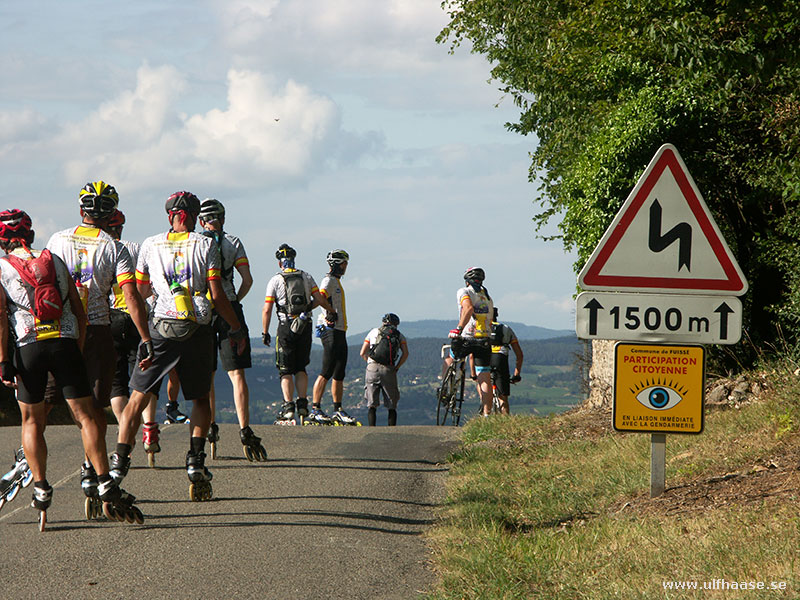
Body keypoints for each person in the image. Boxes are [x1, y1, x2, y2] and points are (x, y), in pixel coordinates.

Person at [0, 209, 141, 523]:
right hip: (66, 342)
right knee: (86, 415)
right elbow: (78, 310)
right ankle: (103, 480)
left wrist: (3, 361)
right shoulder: (54, 259)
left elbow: (0, 317)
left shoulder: (2, 267)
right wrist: (75, 348)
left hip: (29, 346)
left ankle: (40, 488)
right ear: (31, 234)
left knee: (32, 420)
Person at [112, 191, 247, 502]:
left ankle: (119, 464)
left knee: (137, 397)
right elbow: (217, 294)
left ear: (169, 214)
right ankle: (195, 461)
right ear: (194, 214)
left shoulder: (150, 244)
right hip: (198, 329)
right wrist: (236, 329)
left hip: (161, 328)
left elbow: (143, 289)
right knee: (200, 398)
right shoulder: (205, 245)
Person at [46, 181, 152, 504]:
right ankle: (91, 470)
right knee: (95, 409)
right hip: (98, 330)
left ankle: (38, 472)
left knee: (44, 408)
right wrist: (145, 337)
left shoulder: (56, 240)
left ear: (82, 211)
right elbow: (130, 296)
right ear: (112, 214)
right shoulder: (114, 247)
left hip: (61, 331)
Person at [198, 198, 266, 461]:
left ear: (202, 221)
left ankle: (211, 427)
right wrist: (234, 300)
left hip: (203, 309)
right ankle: (245, 430)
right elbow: (248, 279)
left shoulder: (196, 243)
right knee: (237, 374)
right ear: (223, 219)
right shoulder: (234, 242)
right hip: (229, 308)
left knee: (208, 373)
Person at [262, 244, 335, 423]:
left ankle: (288, 407)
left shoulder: (275, 280)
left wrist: (265, 331)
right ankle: (302, 404)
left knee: (285, 370)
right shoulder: (306, 276)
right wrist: (330, 311)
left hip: (285, 326)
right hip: (305, 325)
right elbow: (319, 299)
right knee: (301, 367)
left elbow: (267, 309)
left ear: (280, 263)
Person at [311, 249, 358, 425]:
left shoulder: (336, 281)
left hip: (340, 330)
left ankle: (337, 409)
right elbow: (320, 298)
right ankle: (315, 408)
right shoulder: (328, 281)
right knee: (327, 369)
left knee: (339, 371)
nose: (346, 267)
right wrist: (330, 312)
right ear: (337, 264)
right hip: (330, 329)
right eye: (344, 264)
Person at [448, 267, 494, 416]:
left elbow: (467, 308)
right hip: (485, 339)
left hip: (468, 337)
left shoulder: (464, 292)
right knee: (485, 379)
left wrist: (459, 329)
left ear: (467, 280)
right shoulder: (487, 296)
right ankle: (487, 415)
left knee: (450, 356)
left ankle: (449, 389)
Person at [360, 313, 408, 426]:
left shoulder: (373, 332)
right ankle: (392, 432)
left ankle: (371, 429)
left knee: (371, 404)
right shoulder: (399, 335)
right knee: (392, 404)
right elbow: (405, 354)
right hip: (389, 369)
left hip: (372, 368)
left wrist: (369, 363)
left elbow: (362, 352)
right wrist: (396, 367)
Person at [487, 308, 523, 414]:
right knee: (503, 398)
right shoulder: (506, 329)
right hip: (500, 359)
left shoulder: (480, 329)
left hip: (486, 358)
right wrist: (517, 374)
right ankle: (504, 421)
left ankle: (484, 411)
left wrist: (474, 374)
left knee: (483, 386)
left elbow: (472, 355)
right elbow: (519, 355)